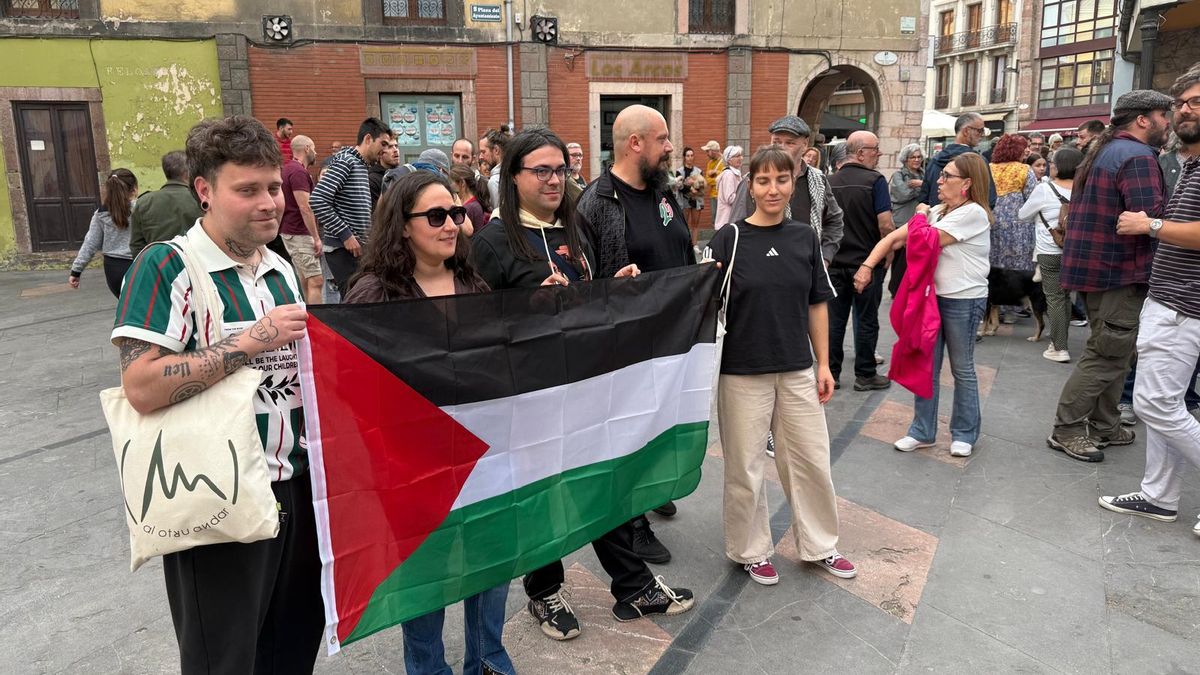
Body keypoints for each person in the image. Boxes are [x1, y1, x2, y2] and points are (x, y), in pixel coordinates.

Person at [111, 115, 321, 673]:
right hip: (216, 497)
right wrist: (254, 339)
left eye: (274, 187)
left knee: (292, 648)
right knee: (223, 661)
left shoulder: (278, 268)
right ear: (204, 191)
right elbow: (141, 385)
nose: (270, 203)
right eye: (247, 190)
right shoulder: (167, 266)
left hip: (295, 488)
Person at [473, 127, 694, 642]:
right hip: (530, 395)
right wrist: (530, 308)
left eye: (561, 170)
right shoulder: (492, 241)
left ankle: (633, 587)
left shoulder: (574, 224)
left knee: (604, 481)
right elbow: (476, 327)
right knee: (545, 493)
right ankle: (544, 589)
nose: (555, 180)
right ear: (514, 176)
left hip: (588, 384)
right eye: (541, 170)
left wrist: (610, 290)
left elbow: (588, 300)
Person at [341, 172, 513, 674]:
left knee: (489, 561)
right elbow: (352, 382)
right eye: (436, 216)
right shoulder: (374, 292)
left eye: (457, 215)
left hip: (480, 453)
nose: (451, 226)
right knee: (424, 578)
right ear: (402, 226)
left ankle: (487, 660)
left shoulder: (473, 282)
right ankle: (428, 669)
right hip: (411, 467)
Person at [708, 145, 856, 587]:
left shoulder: (804, 238)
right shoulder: (730, 239)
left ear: (794, 185)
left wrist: (824, 363)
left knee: (811, 458)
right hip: (740, 371)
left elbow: (817, 302)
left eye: (782, 180)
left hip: (796, 368)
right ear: (749, 185)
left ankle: (820, 544)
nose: (773, 189)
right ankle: (750, 549)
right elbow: (701, 302)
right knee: (745, 466)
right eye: (764, 180)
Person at [576, 104, 695, 546]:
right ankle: (632, 524)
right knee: (630, 430)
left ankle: (654, 487)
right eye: (663, 139)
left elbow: (680, 249)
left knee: (663, 422)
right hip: (627, 346)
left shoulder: (664, 193)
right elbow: (589, 283)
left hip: (673, 336)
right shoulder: (596, 202)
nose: (669, 148)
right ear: (635, 143)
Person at [1047, 89, 1173, 462]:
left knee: (1113, 350)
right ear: (1143, 120)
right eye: (1164, 115)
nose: (1169, 123)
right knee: (1108, 354)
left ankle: (1104, 423)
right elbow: (1146, 220)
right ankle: (1067, 428)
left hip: (1097, 269)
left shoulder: (1105, 150)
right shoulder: (1136, 156)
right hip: (1119, 270)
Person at [1102, 70, 1200, 536]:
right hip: (1170, 301)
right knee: (1167, 402)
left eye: (1195, 101)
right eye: (1180, 102)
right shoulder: (1190, 162)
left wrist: (1150, 226)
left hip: (1185, 306)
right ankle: (1159, 496)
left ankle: (1160, 495)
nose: (1184, 109)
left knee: (1155, 404)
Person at [856, 152, 994, 458]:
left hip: (964, 300)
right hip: (932, 300)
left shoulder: (973, 214)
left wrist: (918, 215)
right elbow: (893, 238)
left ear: (967, 183)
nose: (940, 181)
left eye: (948, 176)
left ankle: (964, 433)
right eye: (942, 175)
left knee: (963, 368)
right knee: (925, 366)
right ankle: (922, 431)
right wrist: (866, 266)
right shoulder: (937, 211)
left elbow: (922, 241)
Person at [727, 115, 845, 264]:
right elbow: (735, 229)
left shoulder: (818, 180)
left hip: (807, 267)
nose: (781, 148)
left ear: (805, 144)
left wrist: (825, 258)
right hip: (762, 266)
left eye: (790, 143)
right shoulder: (753, 181)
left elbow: (834, 220)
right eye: (776, 142)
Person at [827, 131, 894, 392]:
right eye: (875, 148)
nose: (878, 153)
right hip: (867, 263)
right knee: (866, 320)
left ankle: (831, 374)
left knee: (834, 322)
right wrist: (888, 252)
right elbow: (886, 224)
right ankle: (865, 375)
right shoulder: (875, 181)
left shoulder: (829, 182)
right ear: (860, 152)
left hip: (834, 264)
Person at [310, 117, 392, 293]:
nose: (384, 150)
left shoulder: (361, 165)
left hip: (354, 250)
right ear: (368, 139)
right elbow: (317, 199)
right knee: (353, 300)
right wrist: (346, 235)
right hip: (342, 250)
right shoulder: (346, 161)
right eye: (383, 144)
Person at [1021, 147, 1083, 363]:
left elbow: (1023, 214)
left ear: (1058, 166)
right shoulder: (1083, 189)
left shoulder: (1044, 189)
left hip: (1050, 249)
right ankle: (1059, 339)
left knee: (1055, 298)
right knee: (1065, 297)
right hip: (1075, 251)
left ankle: (1059, 347)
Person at [988, 135, 1038, 318]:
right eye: (1025, 147)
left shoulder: (989, 168)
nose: (1027, 150)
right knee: (1018, 267)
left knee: (996, 265)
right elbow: (1033, 198)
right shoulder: (1024, 169)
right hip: (1019, 225)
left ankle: (995, 306)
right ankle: (1014, 304)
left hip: (993, 222)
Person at [69, 169, 138, 297]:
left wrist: (76, 271)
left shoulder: (100, 214)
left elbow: (90, 244)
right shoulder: (141, 209)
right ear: (134, 189)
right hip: (139, 264)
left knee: (125, 308)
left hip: (113, 270)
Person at [128, 151, 203, 257]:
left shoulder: (144, 202)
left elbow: (137, 245)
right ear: (188, 171)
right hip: (198, 264)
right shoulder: (200, 199)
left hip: (159, 265)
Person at [278, 135, 324, 305]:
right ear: (306, 149)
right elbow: (305, 208)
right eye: (314, 148)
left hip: (292, 231)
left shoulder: (288, 169)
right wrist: (316, 238)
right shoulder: (297, 171)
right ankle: (318, 323)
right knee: (316, 280)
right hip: (299, 231)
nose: (316, 152)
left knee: (306, 280)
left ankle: (309, 321)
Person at [922, 113, 997, 208]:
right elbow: (989, 199)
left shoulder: (934, 160)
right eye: (980, 130)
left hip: (937, 219)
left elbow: (924, 197)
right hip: (967, 219)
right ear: (966, 131)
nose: (982, 135)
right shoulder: (978, 162)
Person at [887, 143, 925, 296]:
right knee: (900, 258)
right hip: (902, 219)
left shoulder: (923, 174)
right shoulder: (898, 175)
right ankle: (895, 289)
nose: (916, 160)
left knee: (913, 257)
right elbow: (902, 194)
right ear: (906, 159)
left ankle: (908, 287)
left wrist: (920, 185)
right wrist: (922, 188)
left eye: (919, 157)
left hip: (918, 220)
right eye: (913, 157)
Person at [675, 147, 706, 248]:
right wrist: (689, 188)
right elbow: (678, 186)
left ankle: (695, 245)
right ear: (684, 157)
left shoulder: (698, 171)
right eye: (688, 156)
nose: (690, 158)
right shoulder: (679, 171)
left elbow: (703, 186)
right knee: (684, 224)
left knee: (695, 224)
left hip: (696, 200)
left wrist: (697, 188)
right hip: (684, 200)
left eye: (692, 155)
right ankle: (685, 245)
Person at [448, 163, 490, 236]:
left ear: (462, 183)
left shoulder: (470, 208)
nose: (451, 186)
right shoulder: (473, 204)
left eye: (452, 182)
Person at [713, 145, 743, 229]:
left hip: (731, 221)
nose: (740, 158)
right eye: (737, 156)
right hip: (727, 221)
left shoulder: (734, 174)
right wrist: (745, 195)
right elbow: (730, 198)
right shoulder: (729, 175)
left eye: (740, 155)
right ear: (729, 160)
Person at [368, 135, 400, 205]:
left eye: (396, 146)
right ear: (379, 154)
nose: (395, 150)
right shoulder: (373, 180)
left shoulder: (402, 174)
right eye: (390, 147)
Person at [482, 128, 508, 208]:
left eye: (483, 152)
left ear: (496, 150)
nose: (481, 156)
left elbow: (498, 215)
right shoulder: (514, 172)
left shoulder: (495, 181)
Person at [702, 140, 725, 217]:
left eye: (708, 151)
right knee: (714, 219)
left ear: (714, 151)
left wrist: (716, 173)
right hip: (713, 195)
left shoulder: (725, 162)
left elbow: (725, 179)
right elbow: (708, 180)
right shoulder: (710, 163)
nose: (707, 154)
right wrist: (718, 176)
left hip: (723, 196)